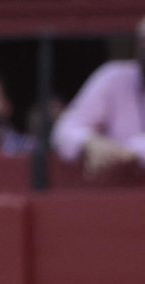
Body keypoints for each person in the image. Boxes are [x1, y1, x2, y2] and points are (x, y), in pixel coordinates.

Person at [52, 15, 145, 175]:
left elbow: (127, 152)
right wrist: (91, 142)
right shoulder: (114, 77)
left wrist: (129, 151)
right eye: (142, 42)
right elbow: (63, 130)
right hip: (118, 193)